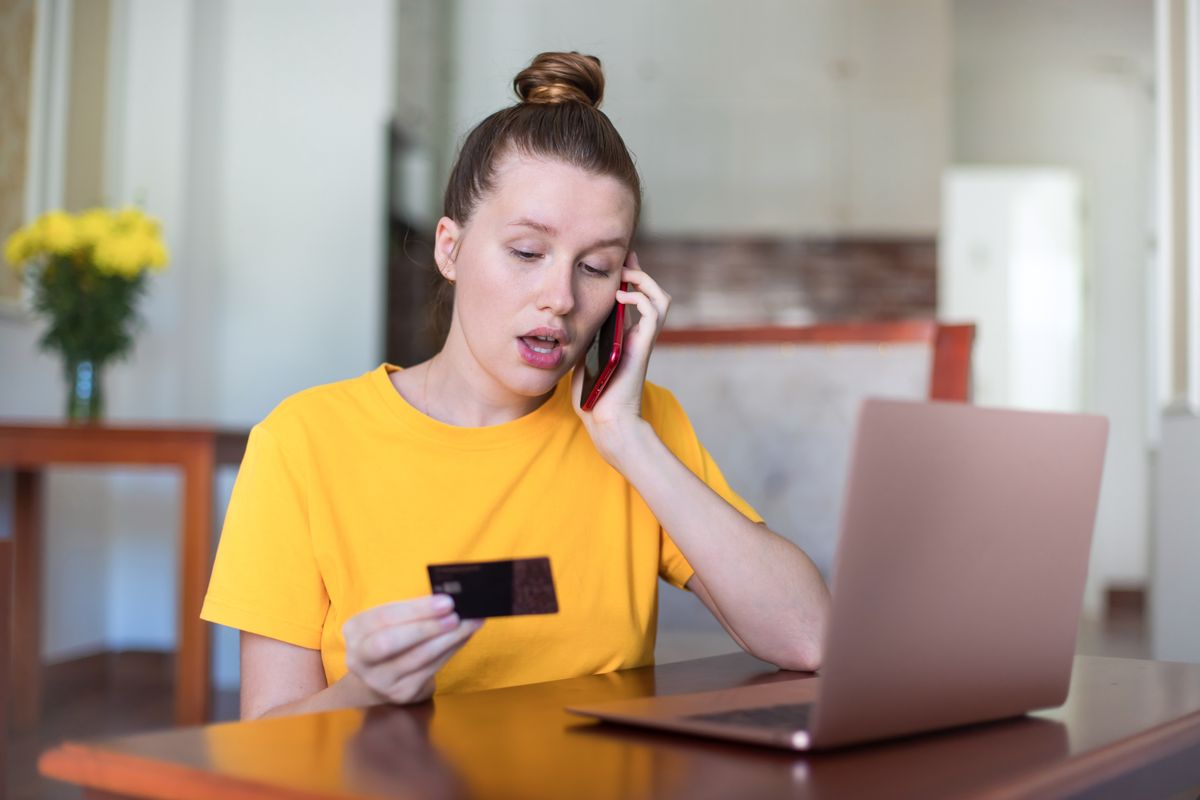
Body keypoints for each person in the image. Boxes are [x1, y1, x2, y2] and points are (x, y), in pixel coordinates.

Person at [201, 51, 830, 720]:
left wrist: (626, 438)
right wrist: (370, 692)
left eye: (595, 266)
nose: (559, 297)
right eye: (528, 252)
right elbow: (263, 743)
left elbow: (808, 636)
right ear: (450, 248)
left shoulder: (638, 427)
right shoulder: (303, 442)